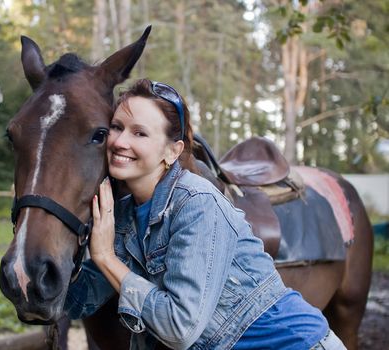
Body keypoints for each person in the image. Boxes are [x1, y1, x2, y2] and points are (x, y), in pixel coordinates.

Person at [64, 79, 346, 350]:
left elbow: (179, 328)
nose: (120, 141)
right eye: (116, 127)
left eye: (140, 133)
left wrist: (105, 257)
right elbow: (80, 300)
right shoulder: (123, 215)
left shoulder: (197, 203)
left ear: (172, 152)